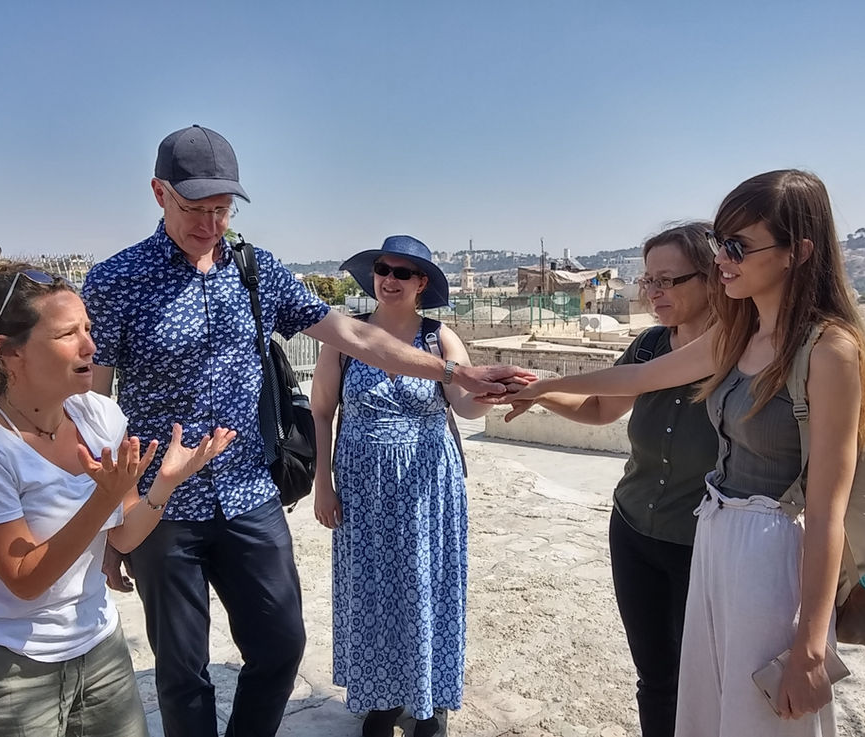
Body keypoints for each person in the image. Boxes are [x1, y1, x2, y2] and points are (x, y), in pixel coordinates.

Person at [81, 125, 534, 737]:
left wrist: (456, 370)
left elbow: (356, 336)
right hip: (164, 506)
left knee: (281, 647)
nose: (212, 224)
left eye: (223, 210)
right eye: (196, 209)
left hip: (249, 495)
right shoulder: (116, 282)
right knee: (182, 669)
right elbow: (93, 406)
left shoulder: (255, 270)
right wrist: (110, 520)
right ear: (159, 192)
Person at [482, 170, 865, 736]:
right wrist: (540, 386)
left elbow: (827, 509)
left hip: (771, 553)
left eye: (738, 245)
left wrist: (811, 647)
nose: (724, 259)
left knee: (761, 716)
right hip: (716, 539)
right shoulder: (742, 334)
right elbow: (641, 377)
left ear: (799, 251)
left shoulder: (827, 350)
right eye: (721, 243)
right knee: (704, 703)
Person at [0, 263, 235, 737]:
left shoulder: (99, 416)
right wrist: (104, 497)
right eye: (66, 334)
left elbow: (123, 532)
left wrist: (165, 484)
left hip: (97, 643)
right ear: (10, 352)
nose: (90, 347)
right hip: (6, 660)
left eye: (88, 329)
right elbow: (25, 579)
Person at [504, 222, 718, 737]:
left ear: (713, 277)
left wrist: (547, 386)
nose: (653, 292)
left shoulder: (743, 353)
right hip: (634, 531)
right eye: (648, 281)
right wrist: (537, 392)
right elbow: (601, 407)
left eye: (668, 280)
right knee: (655, 676)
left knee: (708, 678)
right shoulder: (647, 345)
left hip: (704, 541)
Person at [310, 235, 489, 737]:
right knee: (370, 593)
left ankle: (427, 700)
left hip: (428, 485)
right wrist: (323, 482)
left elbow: (466, 403)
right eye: (382, 269)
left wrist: (490, 394)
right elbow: (322, 410)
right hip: (364, 489)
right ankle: (381, 699)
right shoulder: (345, 337)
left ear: (421, 283)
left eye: (402, 273)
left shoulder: (438, 338)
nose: (388, 279)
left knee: (426, 586)